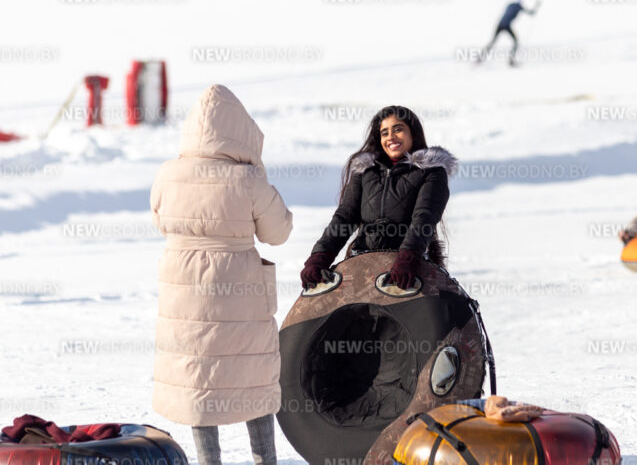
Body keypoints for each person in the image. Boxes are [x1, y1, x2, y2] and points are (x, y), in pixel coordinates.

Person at [150, 85, 293, 465]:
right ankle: (265, 460)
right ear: (239, 131)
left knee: (197, 377)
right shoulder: (246, 178)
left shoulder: (167, 174)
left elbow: (160, 221)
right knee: (252, 374)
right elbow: (278, 232)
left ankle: (208, 460)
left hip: (182, 288)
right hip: (239, 289)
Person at [300, 105, 457, 290]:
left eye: (398, 129)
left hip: (410, 265)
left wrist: (407, 258)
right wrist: (320, 256)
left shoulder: (432, 172)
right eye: (384, 133)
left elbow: (424, 218)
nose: (391, 137)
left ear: (413, 134)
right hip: (362, 262)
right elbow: (344, 217)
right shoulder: (365, 172)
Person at [478, 0, 539, 67]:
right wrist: (537, 5)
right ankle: (511, 61)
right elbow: (531, 13)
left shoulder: (510, 4)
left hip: (501, 24)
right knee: (515, 41)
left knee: (493, 41)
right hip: (505, 25)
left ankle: (480, 58)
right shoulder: (519, 6)